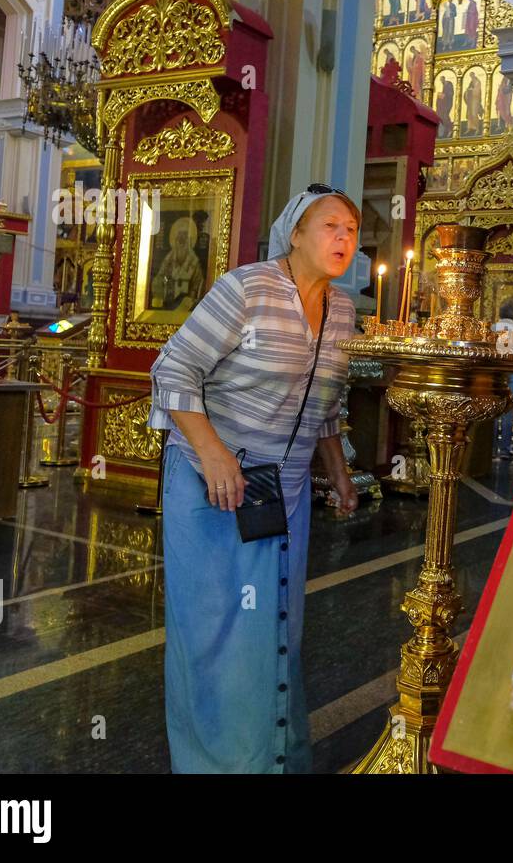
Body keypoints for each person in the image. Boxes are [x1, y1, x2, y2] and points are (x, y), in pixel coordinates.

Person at [149, 184, 362, 773]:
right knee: (216, 633)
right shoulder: (245, 289)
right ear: (295, 233)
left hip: (282, 492)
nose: (343, 238)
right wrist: (214, 453)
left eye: (351, 229)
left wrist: (339, 474)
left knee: (275, 631)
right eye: (330, 226)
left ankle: (273, 762)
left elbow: (323, 404)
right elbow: (171, 370)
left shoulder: (343, 310)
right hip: (211, 483)